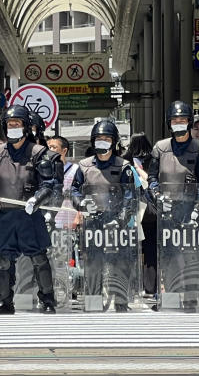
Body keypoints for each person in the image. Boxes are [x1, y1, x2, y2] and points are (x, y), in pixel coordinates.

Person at [0, 103, 60, 314]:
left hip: (30, 214)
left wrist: (37, 199)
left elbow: (49, 184)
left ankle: (48, 301)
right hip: (5, 213)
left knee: (39, 258)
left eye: (17, 124)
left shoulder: (39, 152)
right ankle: (5, 301)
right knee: (4, 260)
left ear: (26, 127)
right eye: (10, 124)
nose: (13, 127)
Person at [148, 100, 199, 311]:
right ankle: (172, 295)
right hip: (167, 211)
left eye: (182, 120)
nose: (178, 124)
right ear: (169, 123)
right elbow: (152, 179)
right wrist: (158, 197)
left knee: (192, 255)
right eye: (175, 121)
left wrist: (196, 211)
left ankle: (192, 298)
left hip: (192, 212)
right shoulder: (160, 147)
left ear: (189, 122)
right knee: (169, 254)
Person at [73, 118, 137, 312]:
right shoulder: (84, 166)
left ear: (114, 141)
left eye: (107, 139)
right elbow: (74, 190)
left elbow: (130, 196)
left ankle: (121, 302)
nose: (103, 142)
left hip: (117, 223)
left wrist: (120, 220)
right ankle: (93, 301)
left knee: (120, 263)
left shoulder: (124, 166)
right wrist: (81, 204)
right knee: (93, 263)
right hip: (93, 222)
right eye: (99, 138)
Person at [122, 132, 157, 301]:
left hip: (132, 210)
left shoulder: (124, 161)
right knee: (151, 249)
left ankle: (131, 285)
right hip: (150, 212)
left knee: (130, 249)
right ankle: (151, 286)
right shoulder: (153, 160)